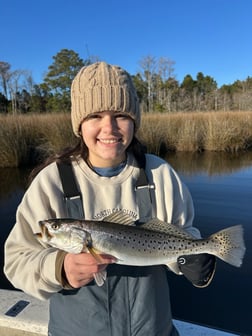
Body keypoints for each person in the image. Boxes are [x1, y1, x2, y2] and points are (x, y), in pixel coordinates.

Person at [4, 62, 216, 336]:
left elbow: (184, 233)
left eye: (120, 115)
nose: (109, 127)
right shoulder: (52, 181)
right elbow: (16, 261)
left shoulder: (159, 174)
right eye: (95, 116)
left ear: (134, 122)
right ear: (79, 124)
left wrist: (196, 261)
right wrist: (59, 268)